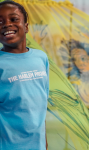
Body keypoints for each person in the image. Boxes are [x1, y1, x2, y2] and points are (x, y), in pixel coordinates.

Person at [0, 1, 49, 150]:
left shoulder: (41, 58)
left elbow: (41, 107)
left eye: (14, 19)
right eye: (0, 22)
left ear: (26, 27)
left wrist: (44, 143)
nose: (6, 24)